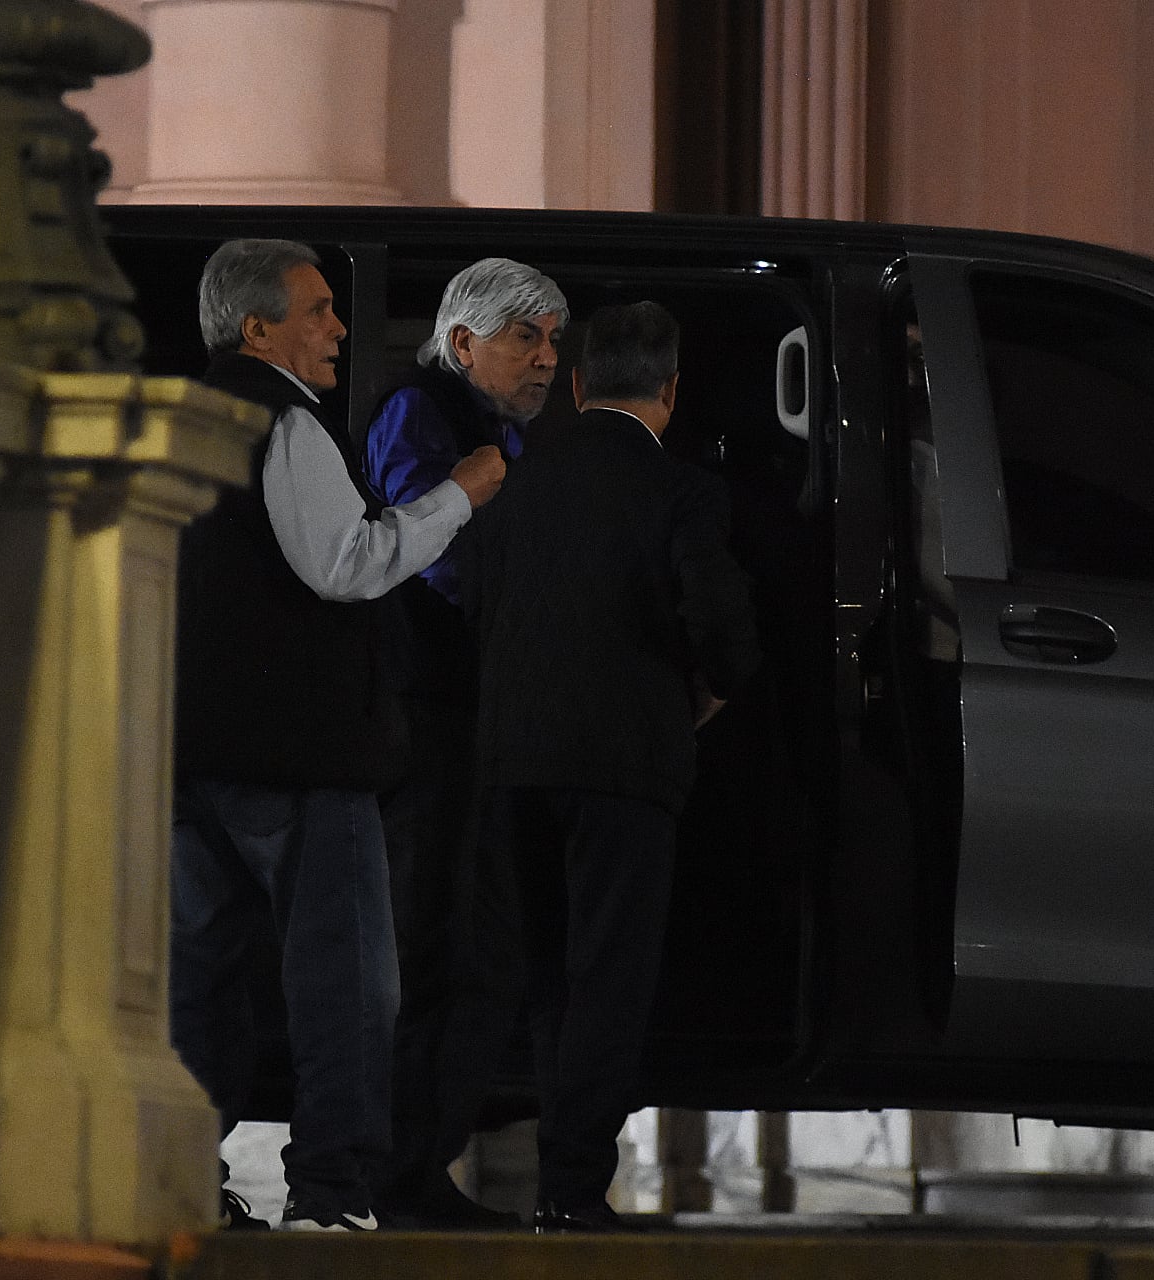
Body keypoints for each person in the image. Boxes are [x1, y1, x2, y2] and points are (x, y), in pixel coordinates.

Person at [169, 239, 507, 1233]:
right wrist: (460, 495)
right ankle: (332, 1190)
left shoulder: (184, 419)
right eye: (317, 310)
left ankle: (184, 1174)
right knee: (346, 980)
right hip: (305, 758)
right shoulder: (286, 422)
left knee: (201, 979)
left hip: (193, 757)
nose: (339, 328)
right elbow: (346, 563)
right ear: (257, 327)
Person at [460, 301, 760, 1233]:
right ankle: (574, 1188)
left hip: (515, 762)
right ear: (671, 391)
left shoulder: (517, 482)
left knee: (549, 975)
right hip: (625, 766)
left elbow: (477, 602)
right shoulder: (683, 494)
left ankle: (557, 1178)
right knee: (609, 976)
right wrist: (702, 697)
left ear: (581, 386)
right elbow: (725, 635)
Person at [359, 258, 568, 1230]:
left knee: (486, 955)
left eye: (554, 339)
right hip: (425, 725)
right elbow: (426, 550)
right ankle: (391, 1171)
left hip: (477, 725)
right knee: (428, 949)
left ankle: (417, 1163)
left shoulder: (508, 437)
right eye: (527, 336)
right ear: (464, 341)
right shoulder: (418, 412)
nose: (545, 358)